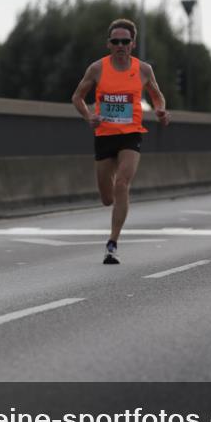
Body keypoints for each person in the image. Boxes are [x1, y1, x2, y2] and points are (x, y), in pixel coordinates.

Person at [71, 18, 170, 264]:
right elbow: (77, 97)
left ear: (133, 44)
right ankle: (115, 203)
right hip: (104, 135)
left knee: (122, 183)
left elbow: (157, 96)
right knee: (107, 197)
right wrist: (88, 116)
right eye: (116, 41)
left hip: (131, 133)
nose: (120, 45)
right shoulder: (97, 68)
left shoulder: (144, 70)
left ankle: (112, 243)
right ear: (109, 44)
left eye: (125, 41)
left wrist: (160, 111)